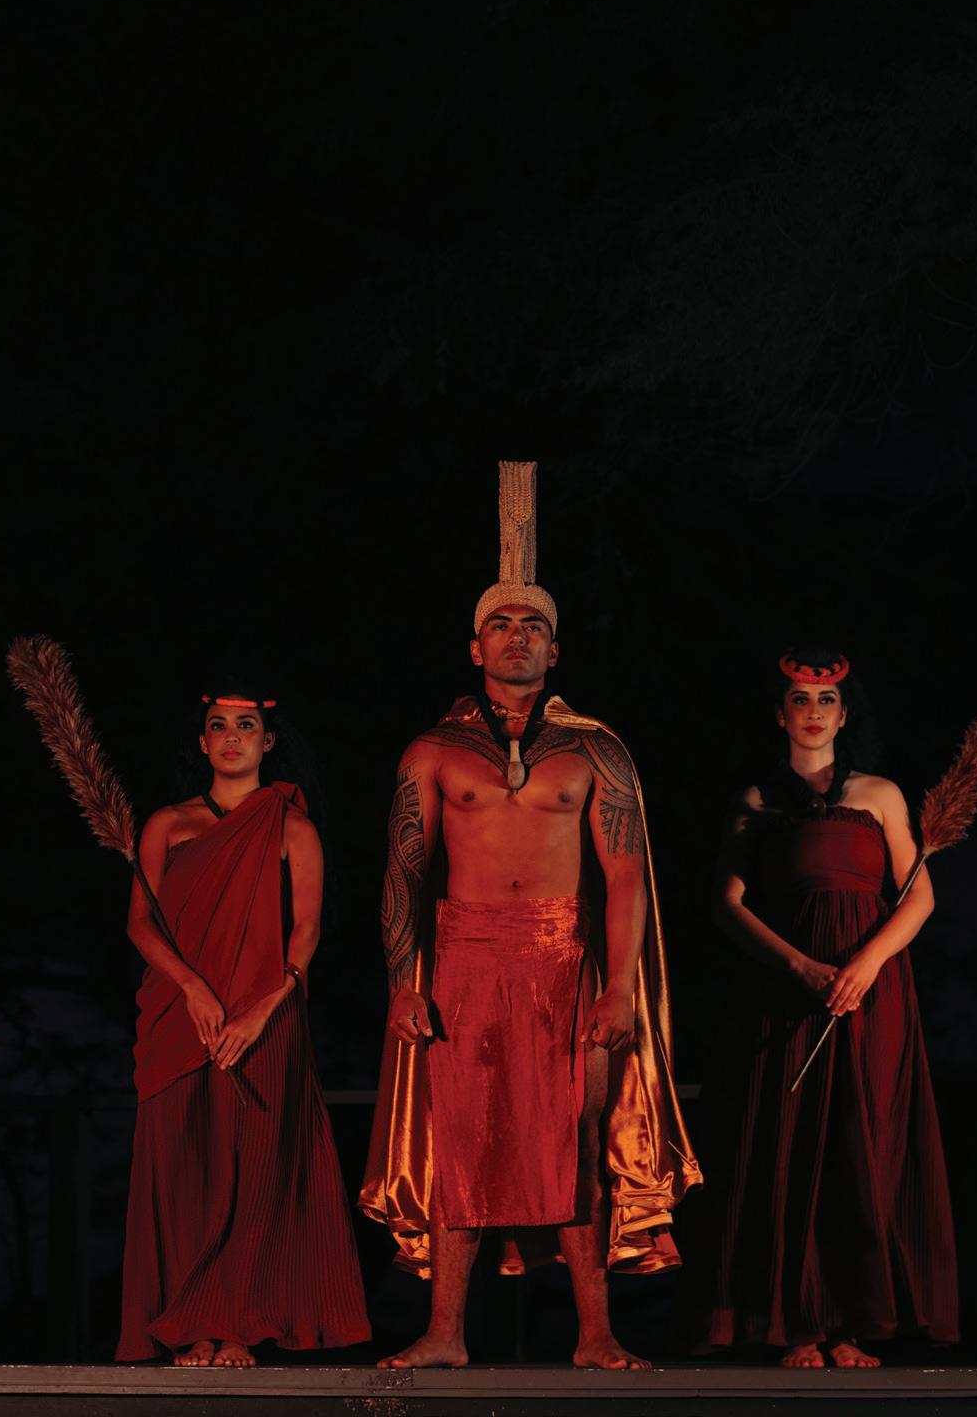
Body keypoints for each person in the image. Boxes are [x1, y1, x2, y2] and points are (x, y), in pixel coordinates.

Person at [360, 462, 699, 1370]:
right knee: (462, 1145)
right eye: (502, 626)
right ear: (474, 647)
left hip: (564, 958)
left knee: (573, 1139)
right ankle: (443, 1334)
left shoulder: (597, 752)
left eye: (534, 627)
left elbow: (624, 878)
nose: (518, 638)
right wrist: (403, 984)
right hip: (465, 958)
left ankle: (595, 1334)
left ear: (557, 650)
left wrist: (618, 990)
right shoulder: (432, 750)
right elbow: (403, 872)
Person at [691, 648, 958, 1367]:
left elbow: (918, 895)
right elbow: (727, 904)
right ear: (780, 714)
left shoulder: (879, 794)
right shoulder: (756, 800)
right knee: (791, 1142)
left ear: (845, 715)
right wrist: (801, 967)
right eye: (799, 699)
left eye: (827, 700)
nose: (813, 712)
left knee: (862, 1139)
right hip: (789, 989)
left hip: (871, 992)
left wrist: (866, 966)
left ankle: (851, 1324)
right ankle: (797, 1324)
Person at [116, 689, 370, 1366]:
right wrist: (193, 989)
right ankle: (190, 1325)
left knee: (254, 1168)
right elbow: (140, 924)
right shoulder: (168, 824)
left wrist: (265, 1007)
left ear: (267, 741)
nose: (232, 736)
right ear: (203, 743)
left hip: (263, 1018)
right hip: (180, 1013)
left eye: (246, 725)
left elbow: (307, 929)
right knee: (183, 1167)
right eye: (218, 726)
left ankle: (235, 1327)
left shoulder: (291, 827)